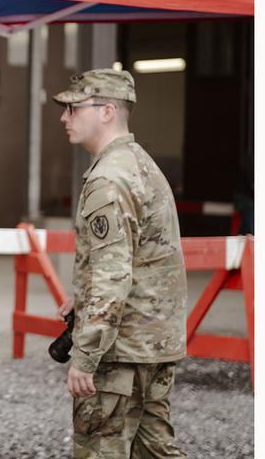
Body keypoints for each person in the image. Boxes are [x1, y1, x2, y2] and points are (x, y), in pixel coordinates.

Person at [53, 69, 187, 458]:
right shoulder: (140, 164)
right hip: (155, 343)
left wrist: (86, 355)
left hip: (122, 352)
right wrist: (84, 296)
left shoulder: (108, 179)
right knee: (154, 449)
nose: (65, 117)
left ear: (107, 111)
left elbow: (114, 276)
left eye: (74, 108)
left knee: (100, 449)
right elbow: (143, 254)